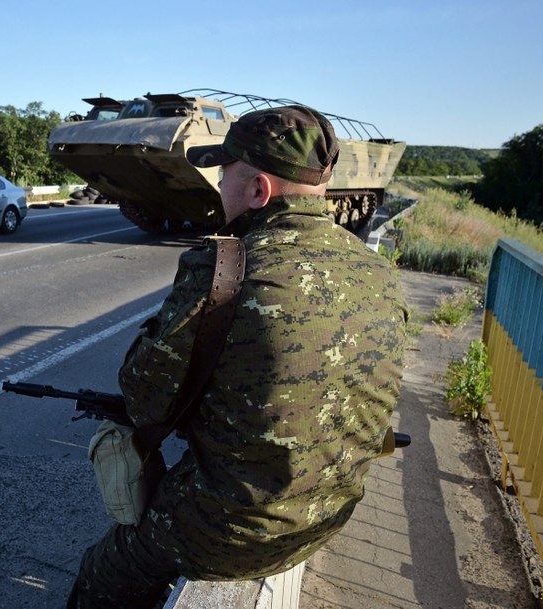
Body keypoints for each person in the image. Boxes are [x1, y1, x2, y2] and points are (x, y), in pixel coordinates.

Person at [67, 105, 408, 608]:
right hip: (329, 515)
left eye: (224, 172)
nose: (218, 184)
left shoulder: (223, 269)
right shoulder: (380, 273)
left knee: (107, 569)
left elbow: (143, 396)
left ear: (258, 191)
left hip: (235, 536)